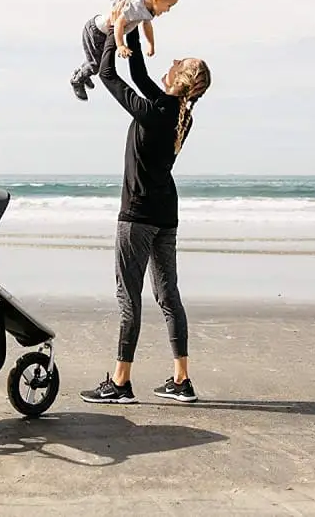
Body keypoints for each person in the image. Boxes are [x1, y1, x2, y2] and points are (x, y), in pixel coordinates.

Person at [79, 25, 211, 405]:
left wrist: (111, 37)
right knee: (168, 295)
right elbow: (137, 75)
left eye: (175, 64)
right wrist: (132, 29)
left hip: (137, 216)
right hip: (165, 214)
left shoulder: (156, 111)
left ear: (180, 80)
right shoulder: (177, 112)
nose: (168, 63)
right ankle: (181, 380)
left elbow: (109, 76)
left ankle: (120, 383)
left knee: (129, 297)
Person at [69, 0, 180, 101]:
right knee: (96, 64)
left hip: (101, 32)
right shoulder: (136, 7)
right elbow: (118, 23)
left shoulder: (146, 9)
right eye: (168, 6)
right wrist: (120, 45)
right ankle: (77, 80)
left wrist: (151, 44)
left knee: (95, 61)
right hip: (96, 32)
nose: (168, 10)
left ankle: (84, 73)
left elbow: (147, 25)